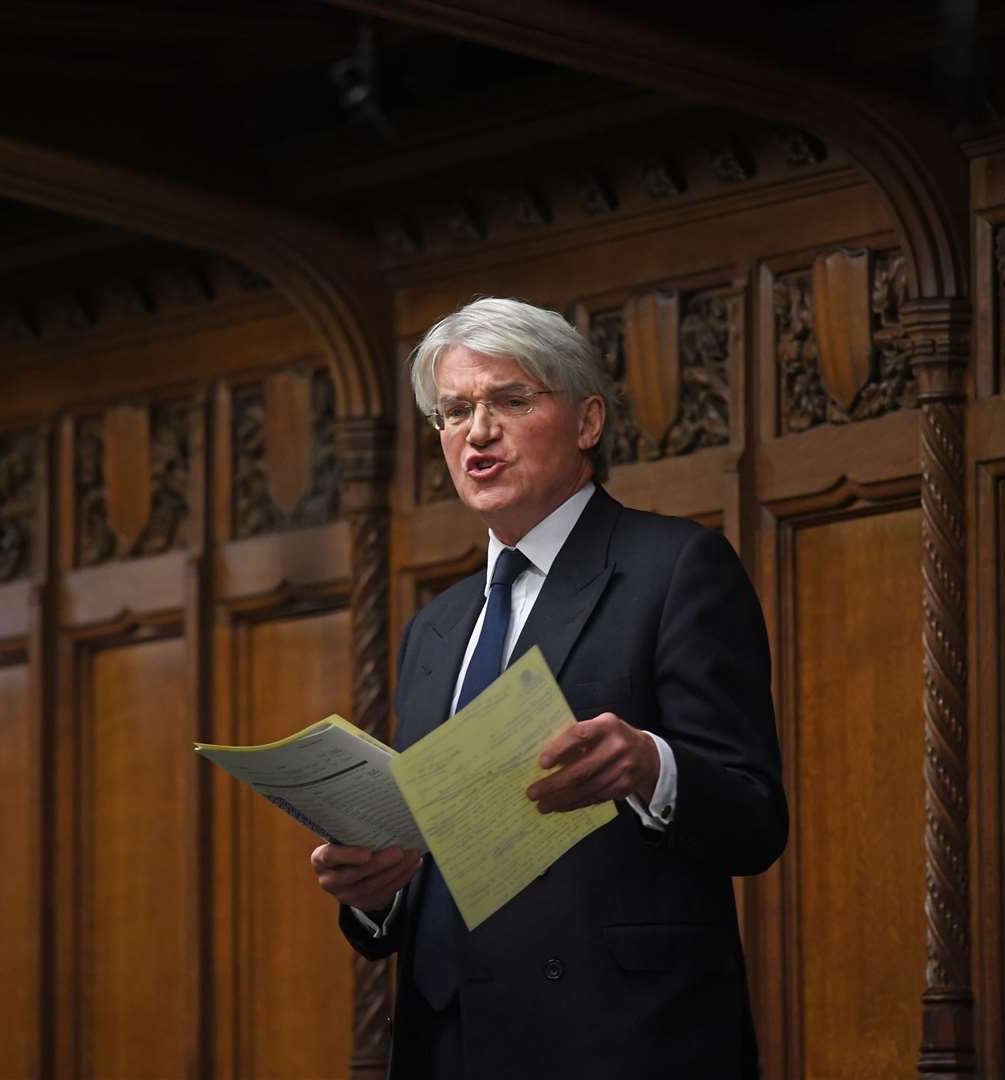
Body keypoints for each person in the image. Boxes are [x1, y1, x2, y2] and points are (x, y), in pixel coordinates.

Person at [309, 297, 786, 1078]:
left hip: (615, 1039)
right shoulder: (434, 628)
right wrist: (373, 889)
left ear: (588, 421)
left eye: (510, 400)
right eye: (455, 410)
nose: (477, 432)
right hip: (447, 1045)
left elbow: (756, 818)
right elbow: (431, 857)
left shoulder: (674, 569)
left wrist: (649, 765)